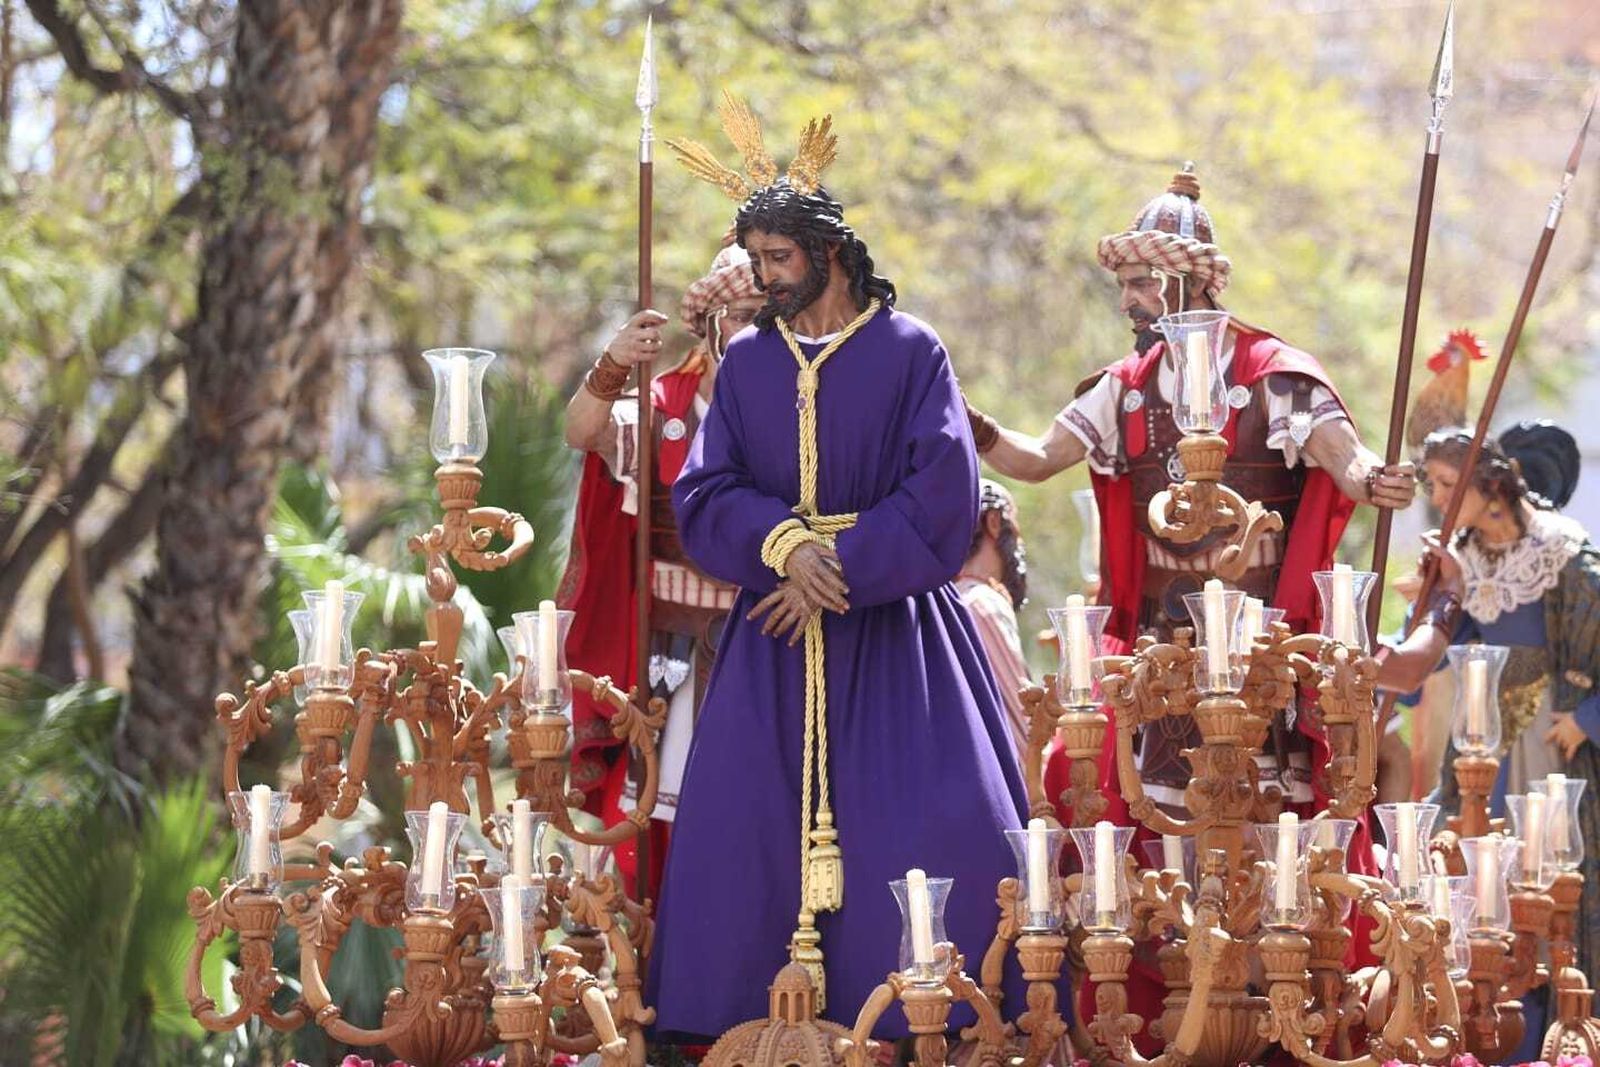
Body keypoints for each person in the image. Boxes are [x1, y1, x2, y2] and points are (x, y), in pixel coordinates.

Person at [647, 101, 1035, 1040]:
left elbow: (944, 491)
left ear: (832, 253)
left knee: (933, 820)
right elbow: (704, 492)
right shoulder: (742, 367)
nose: (766, 277)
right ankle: (752, 1034)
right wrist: (787, 547)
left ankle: (925, 1023)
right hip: (774, 636)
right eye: (757, 260)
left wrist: (841, 566)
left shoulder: (911, 351)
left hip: (897, 631)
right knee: (745, 834)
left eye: (779, 259)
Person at [558, 235, 765, 892]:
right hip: (671, 654)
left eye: (769, 315)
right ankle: (649, 955)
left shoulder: (799, 411)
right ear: (709, 323)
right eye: (742, 314)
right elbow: (583, 431)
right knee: (655, 814)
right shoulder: (663, 405)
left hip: (767, 645)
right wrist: (616, 362)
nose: (755, 330)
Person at [1386, 422, 1596, 1057]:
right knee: (1474, 877)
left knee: (1549, 881)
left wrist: (1585, 719)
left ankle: (1557, 1029)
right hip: (1479, 746)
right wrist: (1425, 599)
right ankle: (1480, 1028)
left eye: (1450, 485)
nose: (1440, 498)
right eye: (1434, 485)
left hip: (1548, 747)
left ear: (1492, 486)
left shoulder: (1565, 558)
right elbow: (1420, 661)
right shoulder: (1460, 564)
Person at [956, 480, 1034, 758]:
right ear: (993, 522)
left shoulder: (950, 602)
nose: (1019, 543)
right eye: (1015, 527)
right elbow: (1027, 728)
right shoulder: (983, 604)